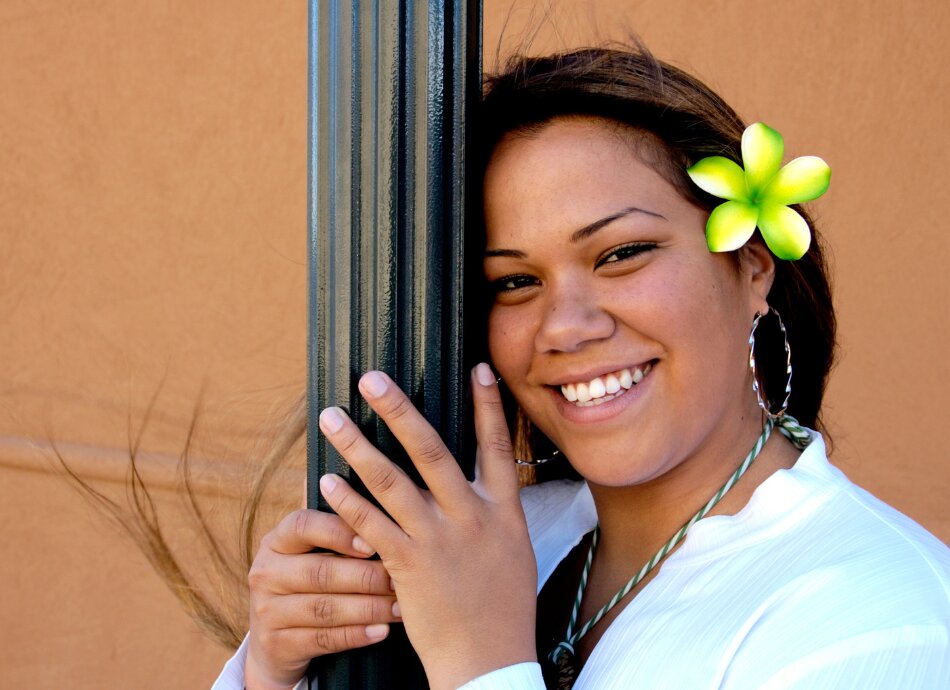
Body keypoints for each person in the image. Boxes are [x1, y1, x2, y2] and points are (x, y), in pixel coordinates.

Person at [214, 46, 950, 689]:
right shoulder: (483, 542)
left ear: (752, 267)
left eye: (621, 255)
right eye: (513, 281)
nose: (566, 326)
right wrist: (272, 672)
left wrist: (483, 665)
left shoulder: (885, 623)